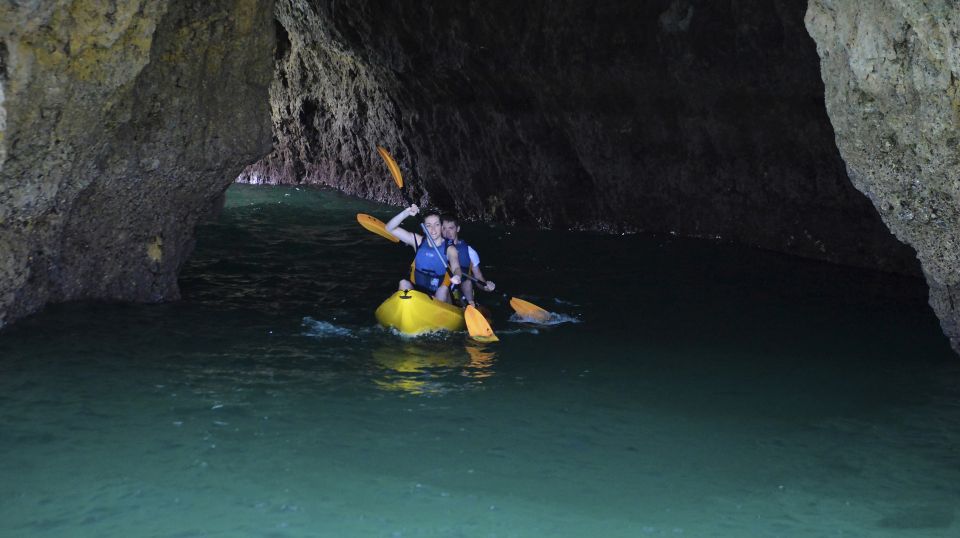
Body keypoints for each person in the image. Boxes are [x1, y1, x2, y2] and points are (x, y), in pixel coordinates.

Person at [385, 205, 461, 303]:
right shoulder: (417, 241)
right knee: (403, 283)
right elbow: (389, 228)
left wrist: (457, 276)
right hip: (417, 293)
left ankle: (437, 315)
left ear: (442, 227)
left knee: (443, 290)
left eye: (436, 224)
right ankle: (407, 310)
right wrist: (406, 212)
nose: (433, 229)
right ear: (423, 228)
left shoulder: (450, 249)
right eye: (428, 225)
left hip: (437, 296)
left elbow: (456, 268)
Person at [441, 214, 495, 307]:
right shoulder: (436, 248)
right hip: (442, 289)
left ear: (457, 229)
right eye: (444, 229)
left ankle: (470, 306)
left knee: (468, 282)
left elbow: (478, 276)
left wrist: (486, 287)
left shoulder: (470, 252)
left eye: (451, 228)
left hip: (461, 292)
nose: (447, 232)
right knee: (443, 288)